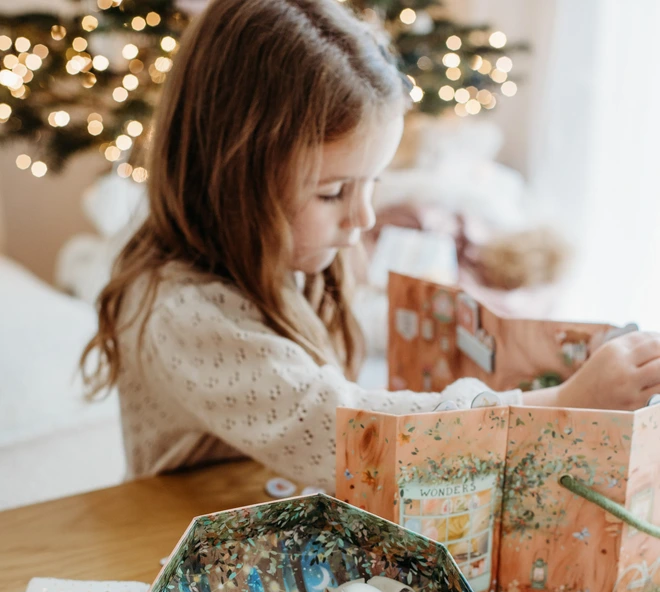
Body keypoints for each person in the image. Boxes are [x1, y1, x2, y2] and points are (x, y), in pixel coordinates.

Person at [81, 0, 660, 493]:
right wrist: (561, 402)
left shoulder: (288, 256)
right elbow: (358, 434)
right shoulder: (183, 313)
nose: (363, 217)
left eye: (373, 183)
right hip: (182, 562)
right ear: (235, 180)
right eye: (333, 192)